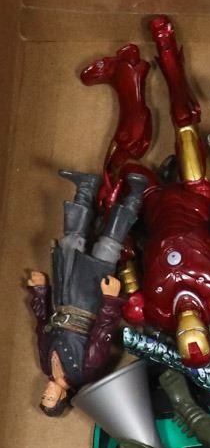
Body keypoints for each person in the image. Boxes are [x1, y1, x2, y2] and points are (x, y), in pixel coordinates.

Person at [26, 170, 143, 415]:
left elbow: (42, 327)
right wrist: (110, 300)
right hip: (88, 300)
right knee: (108, 247)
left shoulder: (46, 365)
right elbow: (102, 333)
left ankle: (86, 188)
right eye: (50, 398)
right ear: (63, 397)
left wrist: (40, 291)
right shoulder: (83, 372)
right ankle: (136, 193)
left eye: (43, 396)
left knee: (71, 242)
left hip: (63, 296)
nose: (46, 393)